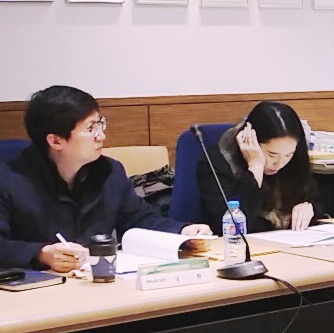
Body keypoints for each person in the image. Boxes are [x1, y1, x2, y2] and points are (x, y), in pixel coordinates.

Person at [0, 85, 210, 271]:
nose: (101, 135)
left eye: (100, 124)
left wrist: (182, 231)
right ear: (56, 141)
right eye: (90, 128)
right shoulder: (9, 180)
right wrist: (40, 254)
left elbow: (139, 221)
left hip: (95, 281)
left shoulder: (109, 171)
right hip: (36, 289)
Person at [197, 101, 320, 234]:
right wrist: (255, 168)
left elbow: (315, 201)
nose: (280, 163)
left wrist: (309, 208)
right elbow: (231, 225)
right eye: (272, 155)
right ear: (251, 142)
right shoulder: (218, 163)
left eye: (288, 155)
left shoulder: (295, 159)